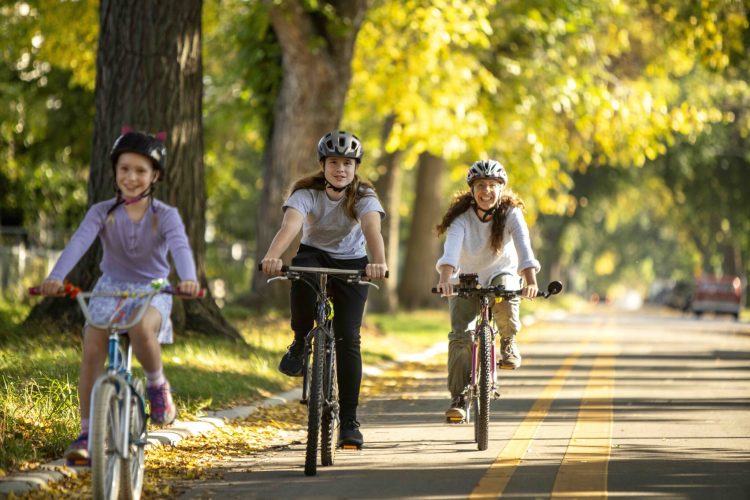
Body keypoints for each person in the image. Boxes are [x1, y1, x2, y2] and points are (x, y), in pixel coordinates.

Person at [39, 130, 201, 464]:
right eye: (124, 168)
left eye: (141, 171)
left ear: (155, 176)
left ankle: (157, 387)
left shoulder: (165, 215)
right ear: (114, 171)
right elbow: (79, 243)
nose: (131, 177)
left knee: (142, 329)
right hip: (110, 286)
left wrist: (188, 279)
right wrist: (56, 277)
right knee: (92, 344)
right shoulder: (101, 211)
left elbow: (181, 248)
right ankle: (86, 433)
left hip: (153, 289)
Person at [260, 130, 388, 448]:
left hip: (352, 262)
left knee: (348, 338)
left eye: (347, 163)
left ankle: (349, 422)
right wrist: (272, 256)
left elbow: (372, 229)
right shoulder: (306, 191)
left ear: (356, 166)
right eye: (334, 162)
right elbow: (290, 225)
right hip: (313, 254)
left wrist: (379, 263)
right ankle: (300, 342)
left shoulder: (364, 196)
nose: (340, 169)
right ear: (322, 164)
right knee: (302, 280)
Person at [434, 159, 540, 420]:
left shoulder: (511, 213)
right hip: (466, 277)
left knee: (504, 289)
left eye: (492, 185)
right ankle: (458, 397)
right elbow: (451, 249)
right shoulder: (461, 218)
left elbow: (524, 247)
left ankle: (507, 341)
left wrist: (530, 280)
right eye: (481, 185)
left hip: (500, 273)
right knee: (460, 338)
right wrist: (446, 278)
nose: (486, 191)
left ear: (501, 188)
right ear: (472, 189)